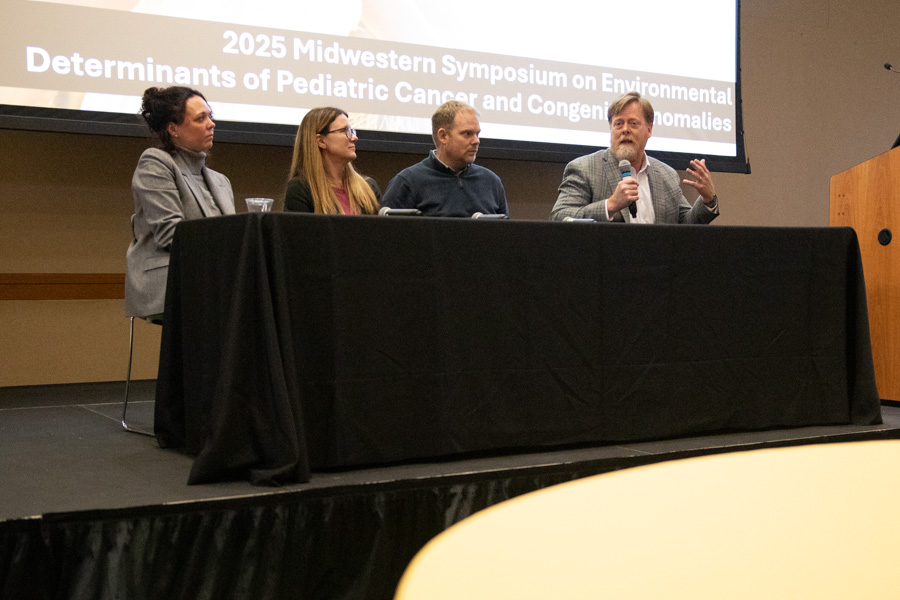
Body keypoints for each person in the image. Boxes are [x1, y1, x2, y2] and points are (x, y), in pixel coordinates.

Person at [125, 86, 235, 322]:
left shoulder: (221, 181)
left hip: (216, 285)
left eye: (210, 116)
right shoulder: (156, 163)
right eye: (200, 118)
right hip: (174, 283)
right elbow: (171, 234)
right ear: (173, 128)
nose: (211, 124)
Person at [550, 92, 719, 224]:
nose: (625, 130)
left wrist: (707, 199)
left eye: (633, 123)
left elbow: (684, 224)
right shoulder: (584, 168)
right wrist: (610, 205)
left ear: (649, 129)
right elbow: (560, 217)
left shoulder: (666, 174)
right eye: (618, 124)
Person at [381, 101, 508, 217]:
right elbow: (388, 236)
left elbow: (504, 236)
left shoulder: (491, 182)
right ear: (443, 136)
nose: (476, 141)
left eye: (477, 134)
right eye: (467, 134)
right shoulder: (408, 182)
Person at [284, 107, 381, 214]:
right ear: (321, 141)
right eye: (344, 131)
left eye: (351, 131)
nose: (354, 138)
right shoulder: (301, 189)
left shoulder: (368, 187)